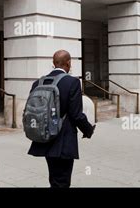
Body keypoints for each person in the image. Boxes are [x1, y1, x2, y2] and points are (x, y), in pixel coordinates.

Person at [27, 50, 95, 188]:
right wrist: (88, 130)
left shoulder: (37, 83)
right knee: (62, 181)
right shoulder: (73, 82)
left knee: (54, 177)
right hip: (63, 141)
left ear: (53, 63)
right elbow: (76, 115)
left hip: (43, 138)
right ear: (69, 63)